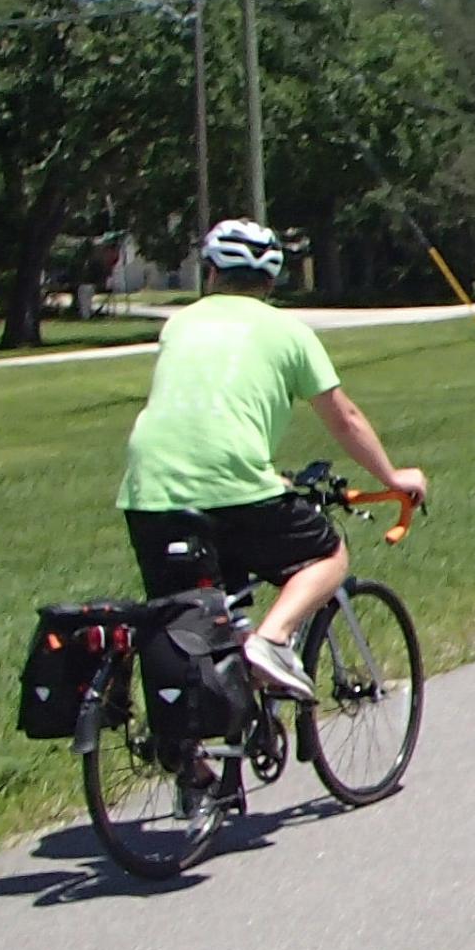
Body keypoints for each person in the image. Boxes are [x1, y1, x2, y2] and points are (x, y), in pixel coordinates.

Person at [118, 219, 430, 700]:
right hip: (235, 482)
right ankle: (272, 639)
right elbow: (343, 417)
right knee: (328, 555)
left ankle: (194, 765)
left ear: (211, 275)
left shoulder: (179, 323)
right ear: (270, 282)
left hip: (150, 488)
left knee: (183, 618)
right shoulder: (288, 331)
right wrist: (391, 475)